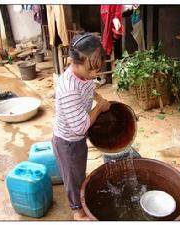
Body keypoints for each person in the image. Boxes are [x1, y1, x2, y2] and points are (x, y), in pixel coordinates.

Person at [52, 33, 110, 220]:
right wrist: (99, 108)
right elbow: (80, 127)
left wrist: (98, 98)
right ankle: (77, 210)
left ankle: (78, 194)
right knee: (72, 176)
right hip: (68, 141)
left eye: (97, 69)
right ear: (72, 62)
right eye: (90, 71)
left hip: (77, 139)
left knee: (77, 172)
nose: (94, 75)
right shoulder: (68, 88)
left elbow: (89, 88)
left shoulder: (84, 76)